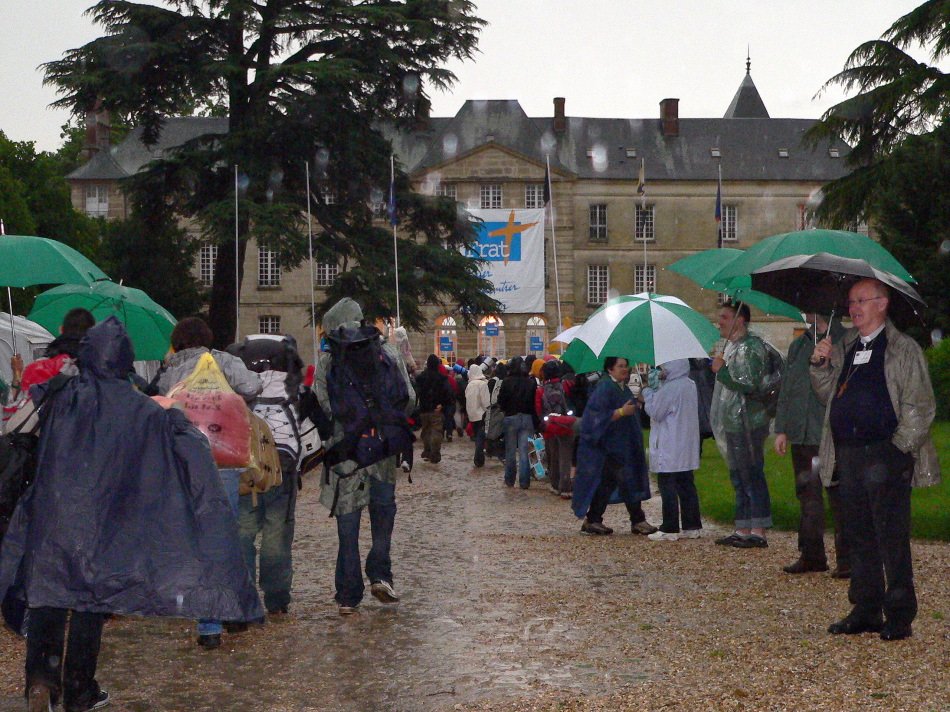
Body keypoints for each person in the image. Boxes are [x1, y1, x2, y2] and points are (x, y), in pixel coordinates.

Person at [0, 318, 262, 712]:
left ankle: (41, 680)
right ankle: (78, 689)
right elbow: (190, 446)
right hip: (104, 521)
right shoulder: (141, 406)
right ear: (123, 360)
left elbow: (14, 424)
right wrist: (172, 412)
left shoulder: (58, 393)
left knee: (48, 596)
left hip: (53, 515)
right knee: (89, 600)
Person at [811, 278, 940, 641]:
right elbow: (828, 396)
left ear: (882, 304)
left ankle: (899, 613)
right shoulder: (846, 346)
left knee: (891, 538)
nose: (854, 308)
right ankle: (866, 608)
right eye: (851, 302)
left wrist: (898, 448)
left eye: (861, 300)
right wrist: (819, 364)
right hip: (848, 456)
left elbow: (921, 405)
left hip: (887, 454)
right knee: (858, 535)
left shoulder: (902, 349)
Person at [156, 316, 261, 649]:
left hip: (187, 464)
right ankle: (235, 610)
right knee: (226, 534)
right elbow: (253, 387)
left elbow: (163, 403)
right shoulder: (225, 361)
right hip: (225, 458)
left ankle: (209, 625)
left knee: (198, 540)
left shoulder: (171, 370)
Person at [313, 298, 415, 615]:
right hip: (381, 451)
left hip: (346, 454)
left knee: (348, 527)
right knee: (382, 517)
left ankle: (347, 594)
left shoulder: (328, 358)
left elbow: (321, 403)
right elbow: (409, 399)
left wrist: (345, 427)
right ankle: (380, 574)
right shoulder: (388, 351)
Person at [229, 335, 305, 617]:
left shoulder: (241, 387)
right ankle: (277, 598)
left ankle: (245, 596)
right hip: (283, 470)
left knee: (244, 533)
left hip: (246, 469)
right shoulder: (295, 390)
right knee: (278, 536)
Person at [774, 313, 850, 576]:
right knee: (807, 495)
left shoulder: (846, 341)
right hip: (803, 435)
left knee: (839, 498)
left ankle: (848, 559)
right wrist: (782, 428)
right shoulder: (799, 345)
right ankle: (812, 554)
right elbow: (787, 388)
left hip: (830, 434)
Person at [709, 301, 773, 549]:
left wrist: (722, 371)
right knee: (738, 475)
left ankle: (758, 528)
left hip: (749, 422)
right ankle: (743, 526)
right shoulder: (734, 348)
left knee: (752, 473)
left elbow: (751, 384)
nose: (719, 322)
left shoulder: (751, 348)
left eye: (724, 317)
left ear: (740, 320)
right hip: (735, 422)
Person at [572, 357, 655, 535]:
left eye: (626, 366)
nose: (625, 370)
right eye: (620, 366)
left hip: (622, 444)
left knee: (613, 482)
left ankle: (594, 519)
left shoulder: (621, 386)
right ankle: (636, 520)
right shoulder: (605, 387)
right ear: (610, 369)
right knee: (622, 480)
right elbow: (594, 418)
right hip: (609, 446)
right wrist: (620, 412)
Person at [3, 308, 95, 434]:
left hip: (39, 446)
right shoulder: (97, 374)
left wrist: (17, 376)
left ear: (61, 330)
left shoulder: (37, 368)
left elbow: (13, 411)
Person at [640, 359, 703, 541]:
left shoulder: (670, 388)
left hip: (670, 443)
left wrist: (648, 393)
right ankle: (692, 525)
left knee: (667, 484)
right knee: (686, 484)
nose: (661, 371)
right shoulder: (689, 385)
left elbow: (656, 412)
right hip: (686, 443)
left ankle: (670, 527)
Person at [535, 359, 575, 497]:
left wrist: (543, 423)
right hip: (565, 424)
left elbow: (538, 409)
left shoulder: (541, 390)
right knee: (565, 457)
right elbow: (570, 403)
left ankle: (554, 484)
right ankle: (565, 487)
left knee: (553, 456)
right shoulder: (565, 385)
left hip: (550, 426)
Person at [497, 356, 537, 489]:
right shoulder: (531, 382)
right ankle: (524, 481)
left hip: (510, 417)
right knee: (525, 452)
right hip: (526, 417)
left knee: (510, 451)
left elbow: (501, 400)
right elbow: (534, 402)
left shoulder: (507, 382)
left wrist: (504, 409)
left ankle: (510, 479)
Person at [415, 354, 453, 464]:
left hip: (423, 409)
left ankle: (427, 450)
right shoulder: (442, 378)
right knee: (436, 431)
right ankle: (435, 453)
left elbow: (416, 392)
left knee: (426, 431)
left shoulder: (420, 378)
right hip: (436, 409)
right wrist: (443, 404)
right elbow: (448, 393)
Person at [465, 363, 490, 468]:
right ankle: (478, 458)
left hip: (472, 414)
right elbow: (486, 402)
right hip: (481, 414)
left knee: (477, 436)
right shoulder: (482, 384)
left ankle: (480, 458)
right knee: (481, 437)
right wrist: (488, 411)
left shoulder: (469, 385)